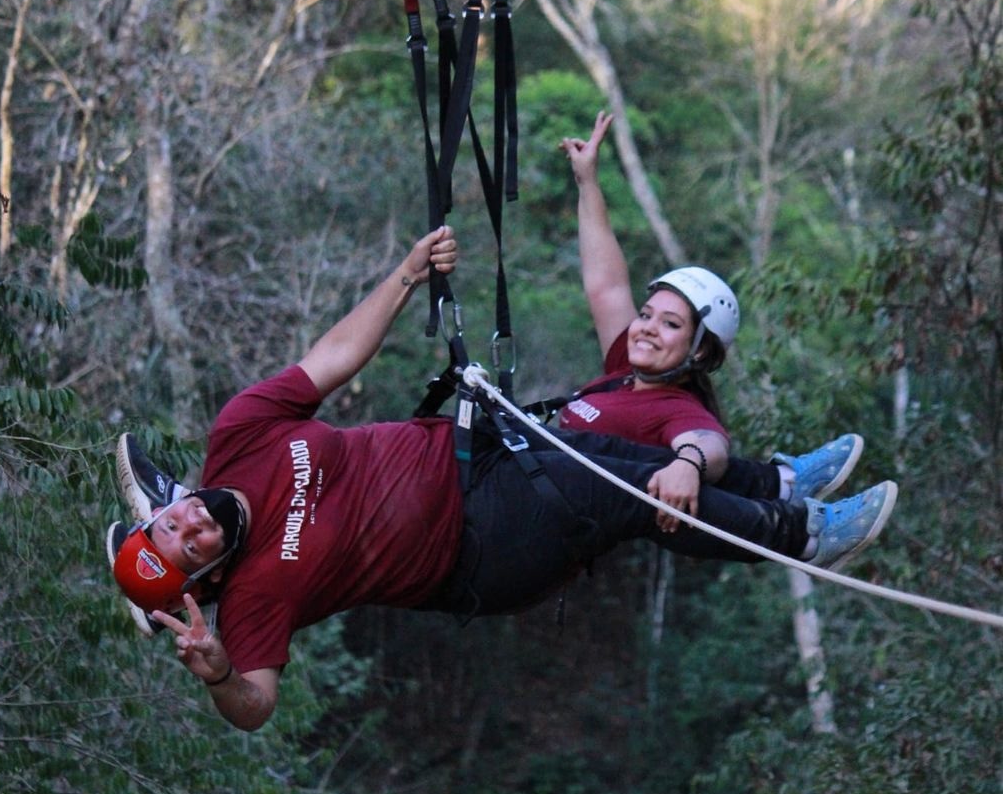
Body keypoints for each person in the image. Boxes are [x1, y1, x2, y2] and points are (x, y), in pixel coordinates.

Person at [106, 226, 897, 732]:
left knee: (628, 465)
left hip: (473, 461)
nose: (195, 526)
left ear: (169, 507)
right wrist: (217, 678)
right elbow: (257, 705)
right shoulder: (254, 596)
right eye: (191, 546)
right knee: (616, 492)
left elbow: (336, 356)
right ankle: (804, 536)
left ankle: (779, 488)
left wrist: (406, 275)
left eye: (175, 524)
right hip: (480, 549)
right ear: (207, 574)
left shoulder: (240, 435)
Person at [559, 110, 873, 533]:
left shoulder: (674, 406)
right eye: (647, 315)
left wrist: (688, 464)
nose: (647, 326)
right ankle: (782, 483)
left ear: (699, 349)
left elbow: (709, 443)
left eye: (670, 324)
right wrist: (587, 182)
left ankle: (799, 522)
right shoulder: (621, 373)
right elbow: (607, 285)